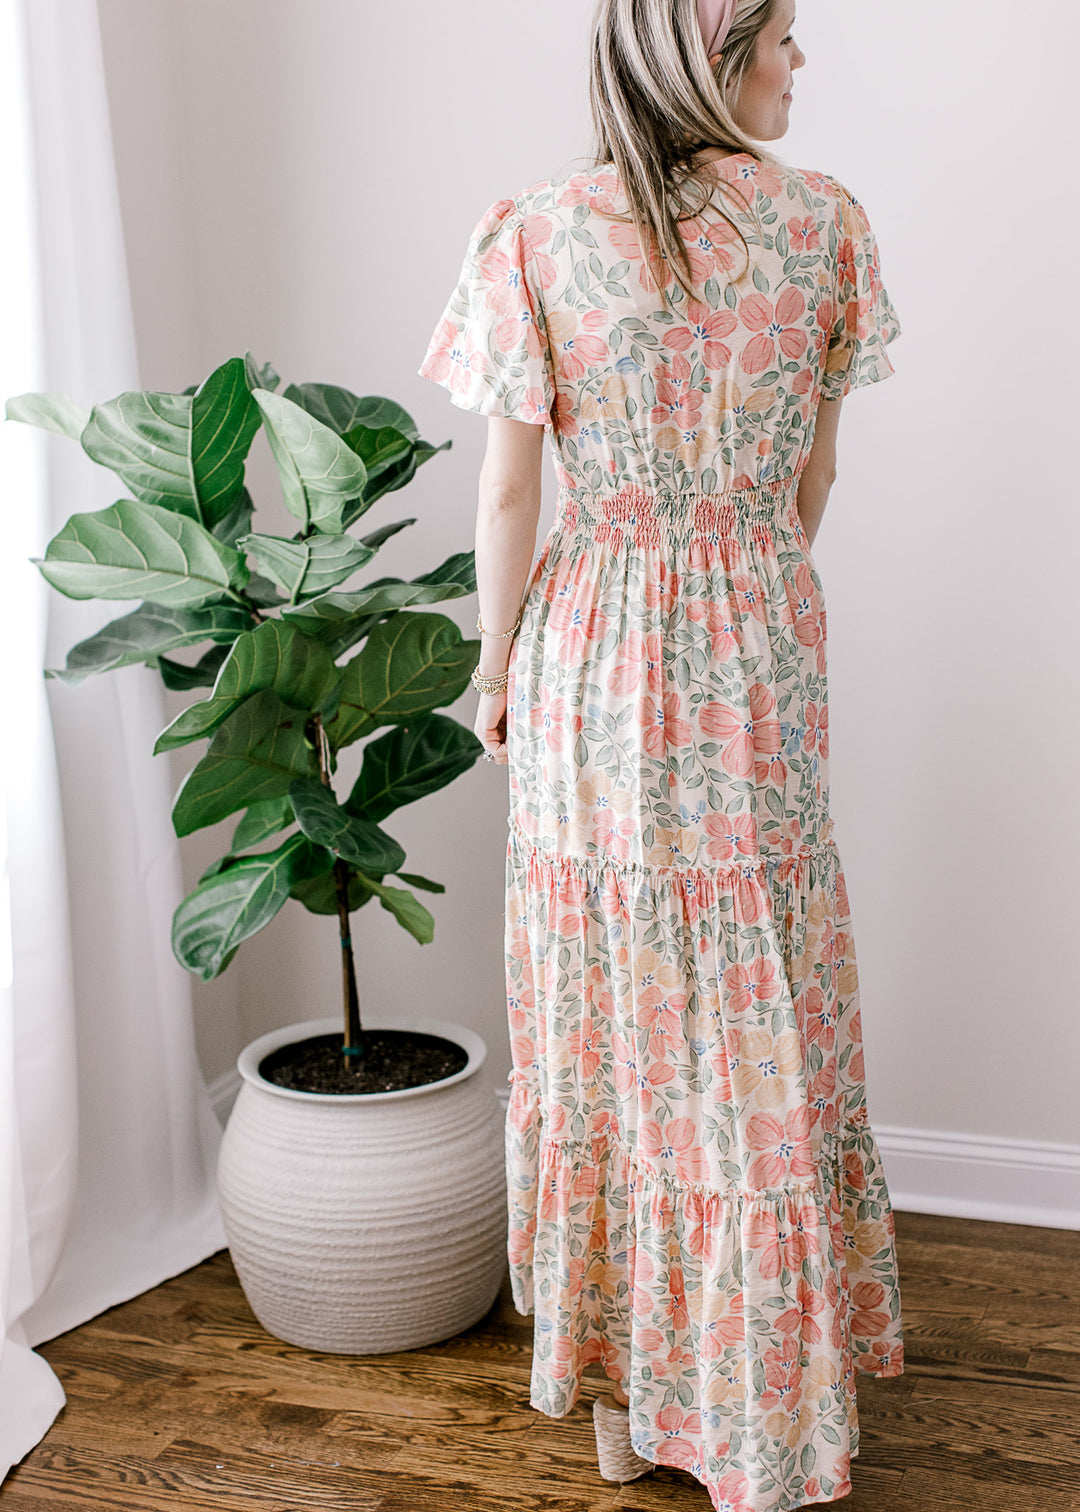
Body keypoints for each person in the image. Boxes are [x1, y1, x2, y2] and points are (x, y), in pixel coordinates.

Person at [417, 0, 905, 1506]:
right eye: (782, 36)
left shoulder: (537, 232)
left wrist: (497, 667)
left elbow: (510, 497)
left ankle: (622, 1403)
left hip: (589, 652)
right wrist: (738, 578)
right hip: (757, 640)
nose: (799, 65)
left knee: (608, 1009)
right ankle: (770, 1415)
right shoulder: (825, 229)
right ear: (713, 47)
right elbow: (812, 477)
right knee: (752, 1004)